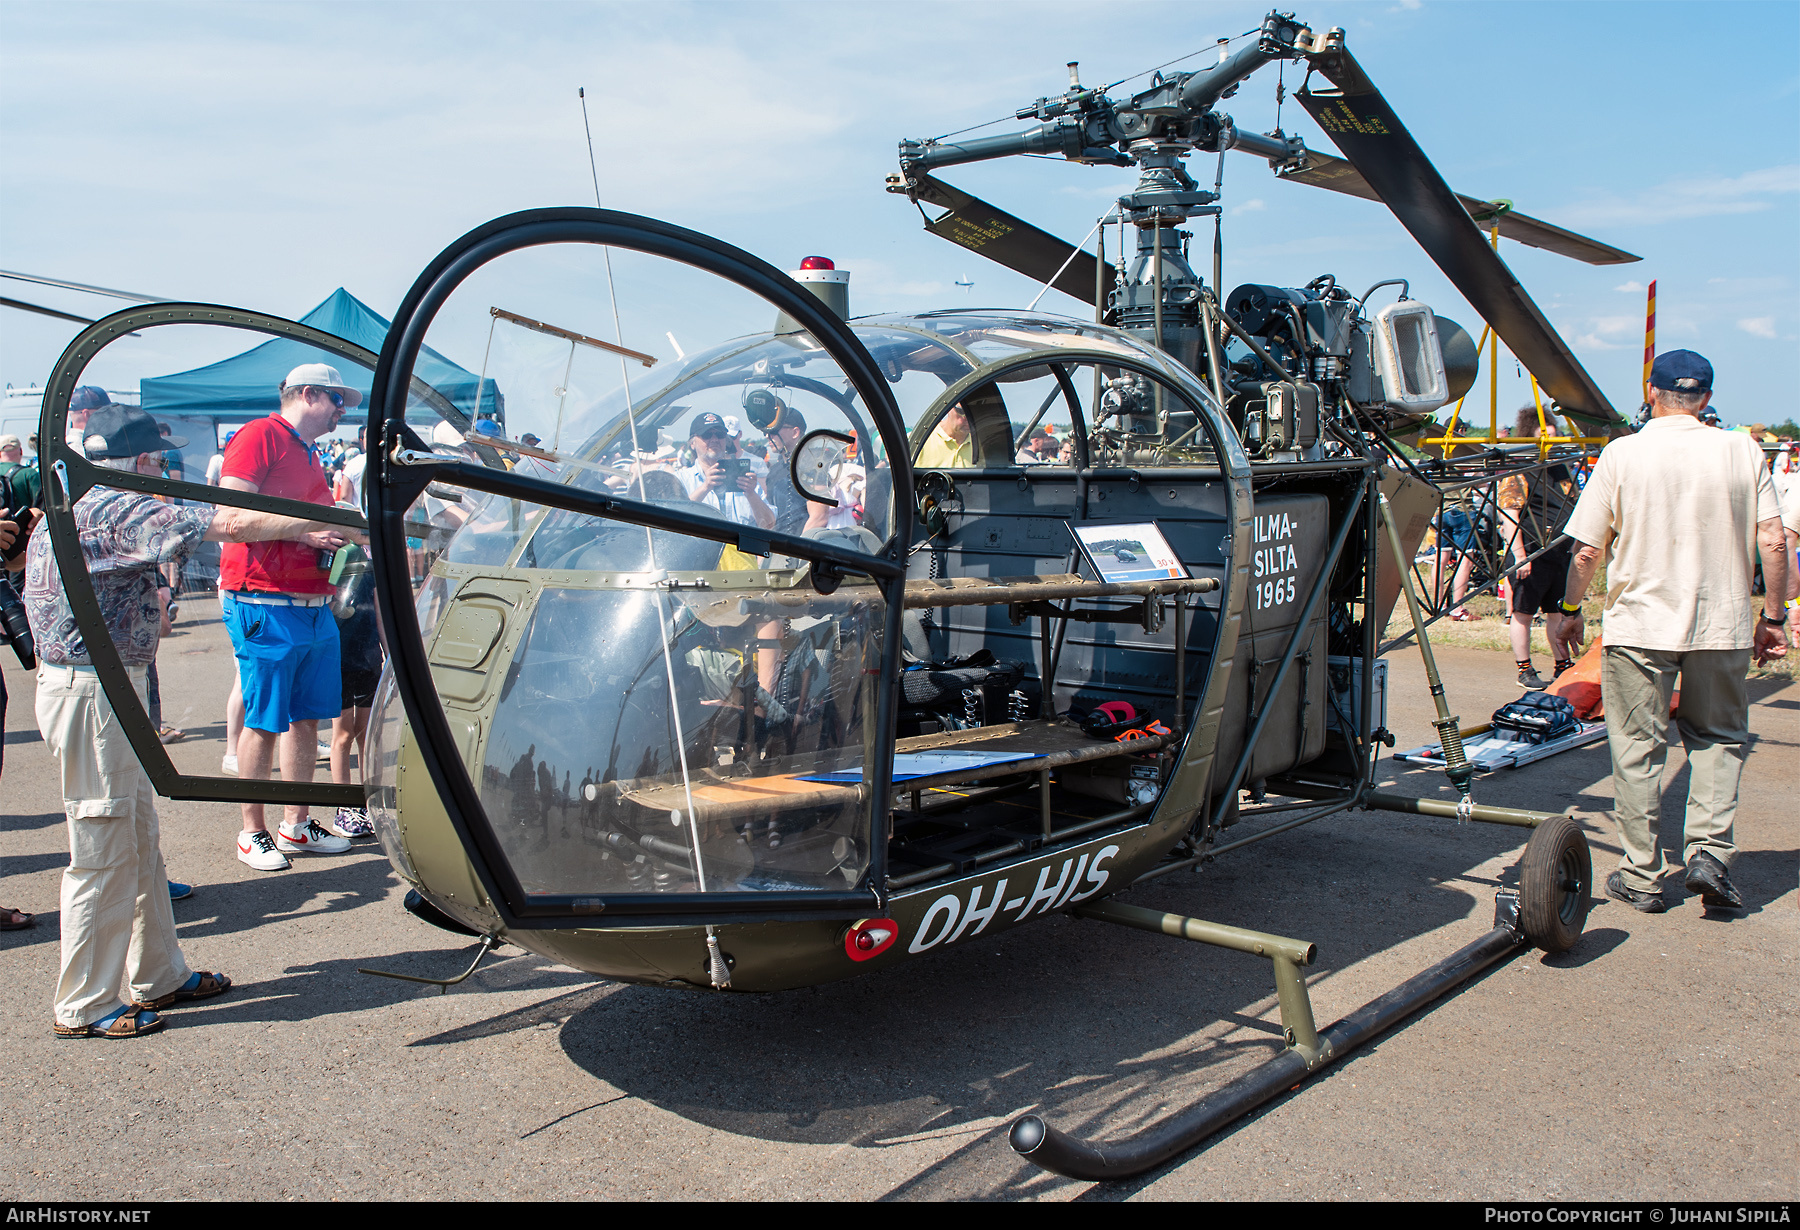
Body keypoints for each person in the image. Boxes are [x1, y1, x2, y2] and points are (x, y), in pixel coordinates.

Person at [24, 404, 341, 1037]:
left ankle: (158, 975)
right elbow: (226, 519)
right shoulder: (119, 507)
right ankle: (85, 1004)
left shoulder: (88, 502)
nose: (167, 468)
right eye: (161, 460)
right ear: (141, 462)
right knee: (103, 845)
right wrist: (315, 526)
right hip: (94, 692)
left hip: (108, 687)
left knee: (137, 840)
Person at [1559, 350, 1789, 915]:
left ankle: (1640, 873)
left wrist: (1568, 606)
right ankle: (1709, 852)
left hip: (1641, 623)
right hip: (1722, 622)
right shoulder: (1742, 448)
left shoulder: (1623, 452)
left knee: (1637, 747)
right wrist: (1775, 616)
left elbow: (1588, 548)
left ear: (1652, 392)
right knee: (1717, 738)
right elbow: (1776, 541)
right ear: (1706, 398)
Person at [217, 363, 363, 871]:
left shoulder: (305, 450)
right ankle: (251, 832)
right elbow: (229, 517)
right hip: (264, 599)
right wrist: (305, 531)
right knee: (265, 720)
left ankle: (296, 823)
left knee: (306, 720)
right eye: (338, 401)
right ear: (308, 394)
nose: (345, 411)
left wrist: (338, 531)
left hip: (312, 602)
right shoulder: (260, 436)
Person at [1499, 407, 1582, 687]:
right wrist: (1520, 556)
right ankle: (1525, 669)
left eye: (1554, 435)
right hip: (1532, 551)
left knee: (1557, 613)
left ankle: (1563, 665)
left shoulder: (1561, 467)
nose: (1551, 440)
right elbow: (1509, 511)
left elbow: (1573, 502)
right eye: (1544, 435)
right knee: (1523, 613)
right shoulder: (1519, 467)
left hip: (1562, 552)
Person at [683, 411, 773, 529]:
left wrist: (751, 494)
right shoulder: (681, 479)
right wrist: (705, 487)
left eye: (720, 434)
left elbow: (770, 524)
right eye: (706, 435)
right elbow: (671, 521)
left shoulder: (745, 479)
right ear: (692, 443)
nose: (714, 439)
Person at [742, 390, 810, 535]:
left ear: (795, 432)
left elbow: (819, 517)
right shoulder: (774, 471)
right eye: (766, 431)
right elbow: (770, 517)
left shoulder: (812, 466)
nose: (767, 436)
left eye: (774, 430)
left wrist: (799, 552)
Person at [916, 402, 973, 468]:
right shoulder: (919, 441)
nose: (968, 417)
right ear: (948, 407)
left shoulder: (982, 445)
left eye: (974, 411)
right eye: (962, 411)